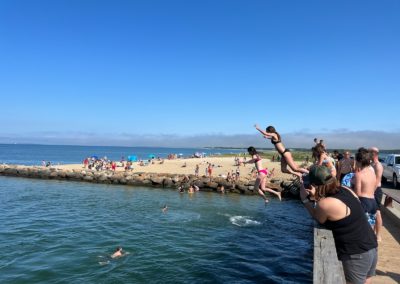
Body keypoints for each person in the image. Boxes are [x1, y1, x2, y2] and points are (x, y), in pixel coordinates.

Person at [300, 165, 377, 284]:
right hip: (371, 245)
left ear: (314, 185)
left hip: (356, 253)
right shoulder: (346, 190)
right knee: (367, 281)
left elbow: (319, 217)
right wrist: (318, 195)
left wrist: (305, 199)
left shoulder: (325, 204)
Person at [354, 148, 378, 228]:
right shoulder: (372, 172)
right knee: (370, 228)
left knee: (361, 228)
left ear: (359, 161)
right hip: (373, 202)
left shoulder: (359, 174)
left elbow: (357, 193)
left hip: (364, 202)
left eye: (356, 161)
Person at [369, 147, 383, 242]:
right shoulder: (371, 164)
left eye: (369, 152)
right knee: (372, 212)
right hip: (371, 190)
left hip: (376, 190)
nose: (368, 153)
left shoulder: (378, 166)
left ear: (374, 153)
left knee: (377, 213)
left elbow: (377, 180)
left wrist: (371, 192)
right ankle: (372, 233)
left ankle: (378, 235)